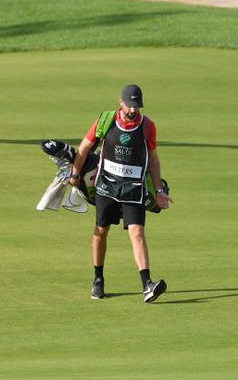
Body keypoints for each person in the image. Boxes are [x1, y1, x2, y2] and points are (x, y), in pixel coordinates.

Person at [69, 84, 173, 302]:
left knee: (137, 232)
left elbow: (153, 159)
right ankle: (98, 279)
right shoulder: (106, 120)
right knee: (101, 230)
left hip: (134, 189)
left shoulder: (147, 126)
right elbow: (85, 147)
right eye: (130, 105)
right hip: (106, 186)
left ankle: (147, 284)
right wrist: (75, 174)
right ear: (121, 102)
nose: (133, 110)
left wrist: (159, 190)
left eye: (137, 106)